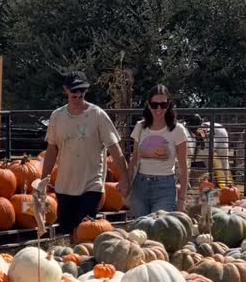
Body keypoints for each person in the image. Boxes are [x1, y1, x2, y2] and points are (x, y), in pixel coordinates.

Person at [41, 71, 129, 236]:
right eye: (74, 90)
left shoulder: (98, 115)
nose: (78, 94)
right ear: (65, 90)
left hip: (91, 184)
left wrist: (125, 177)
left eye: (81, 90)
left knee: (86, 231)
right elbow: (52, 149)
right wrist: (43, 179)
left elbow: (114, 147)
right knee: (68, 233)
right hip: (65, 185)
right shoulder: (57, 117)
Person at [129, 85, 189, 217]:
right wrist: (126, 184)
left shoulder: (177, 130)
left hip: (165, 186)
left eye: (163, 104)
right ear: (148, 105)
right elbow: (134, 160)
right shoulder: (140, 127)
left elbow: (184, 168)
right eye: (154, 104)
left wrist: (181, 200)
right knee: (139, 230)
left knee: (160, 229)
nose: (159, 109)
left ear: (169, 105)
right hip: (140, 186)